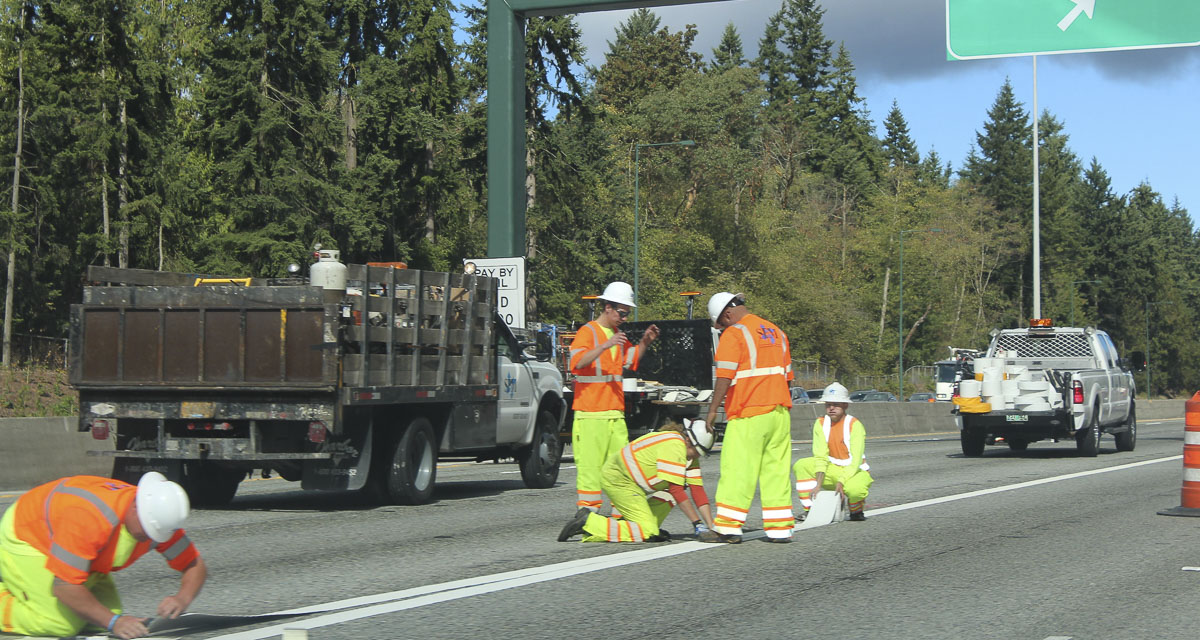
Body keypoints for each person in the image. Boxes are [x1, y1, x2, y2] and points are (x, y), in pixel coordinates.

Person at [0, 472, 207, 639]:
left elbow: (194, 564)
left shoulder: (158, 519)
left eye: (156, 534)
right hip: (28, 537)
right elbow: (64, 586)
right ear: (136, 507)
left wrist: (182, 598)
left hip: (76, 548)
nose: (148, 538)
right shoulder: (91, 518)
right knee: (59, 624)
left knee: (100, 616)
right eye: (147, 530)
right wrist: (113, 622)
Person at [698, 292, 796, 544]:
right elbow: (787, 376)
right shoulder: (777, 332)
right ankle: (780, 528)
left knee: (738, 469)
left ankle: (728, 527)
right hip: (780, 412)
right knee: (776, 470)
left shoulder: (735, 333)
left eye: (721, 324)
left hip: (749, 412)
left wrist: (712, 410)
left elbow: (724, 376)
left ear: (727, 315)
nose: (722, 329)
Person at [567, 281, 659, 513]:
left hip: (614, 414)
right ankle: (588, 515)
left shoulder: (618, 335)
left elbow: (630, 360)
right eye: (622, 312)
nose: (625, 317)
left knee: (622, 469)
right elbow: (576, 364)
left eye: (627, 313)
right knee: (591, 469)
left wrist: (645, 342)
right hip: (590, 415)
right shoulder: (588, 332)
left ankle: (622, 515)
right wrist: (605, 345)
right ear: (607, 307)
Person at [558, 419, 715, 542]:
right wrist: (698, 525)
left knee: (668, 497)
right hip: (619, 480)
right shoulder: (674, 445)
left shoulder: (689, 454)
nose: (697, 456)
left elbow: (698, 491)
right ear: (688, 440)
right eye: (696, 452)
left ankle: (637, 526)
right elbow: (676, 489)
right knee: (647, 531)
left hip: (632, 483)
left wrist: (711, 526)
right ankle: (589, 523)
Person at [793, 382, 874, 521]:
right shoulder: (820, 423)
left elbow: (855, 461)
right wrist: (818, 484)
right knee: (802, 465)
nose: (831, 408)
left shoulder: (854, 425)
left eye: (836, 404)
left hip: (855, 471)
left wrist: (841, 482)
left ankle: (856, 509)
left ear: (845, 405)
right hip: (831, 469)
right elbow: (820, 456)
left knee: (855, 490)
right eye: (828, 404)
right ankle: (810, 509)